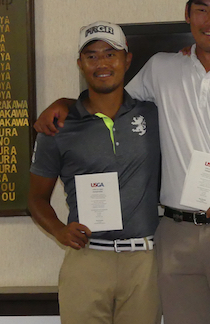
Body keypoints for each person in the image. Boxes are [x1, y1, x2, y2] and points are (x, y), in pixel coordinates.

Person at [34, 0, 210, 324]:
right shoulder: (161, 68)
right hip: (175, 233)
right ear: (187, 14)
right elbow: (108, 101)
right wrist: (64, 102)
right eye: (201, 10)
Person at [28, 21, 161, 323]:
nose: (102, 63)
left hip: (144, 261)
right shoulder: (57, 127)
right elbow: (36, 198)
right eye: (91, 56)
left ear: (127, 59)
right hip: (88, 259)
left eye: (110, 54)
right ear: (80, 64)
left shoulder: (153, 114)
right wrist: (59, 230)